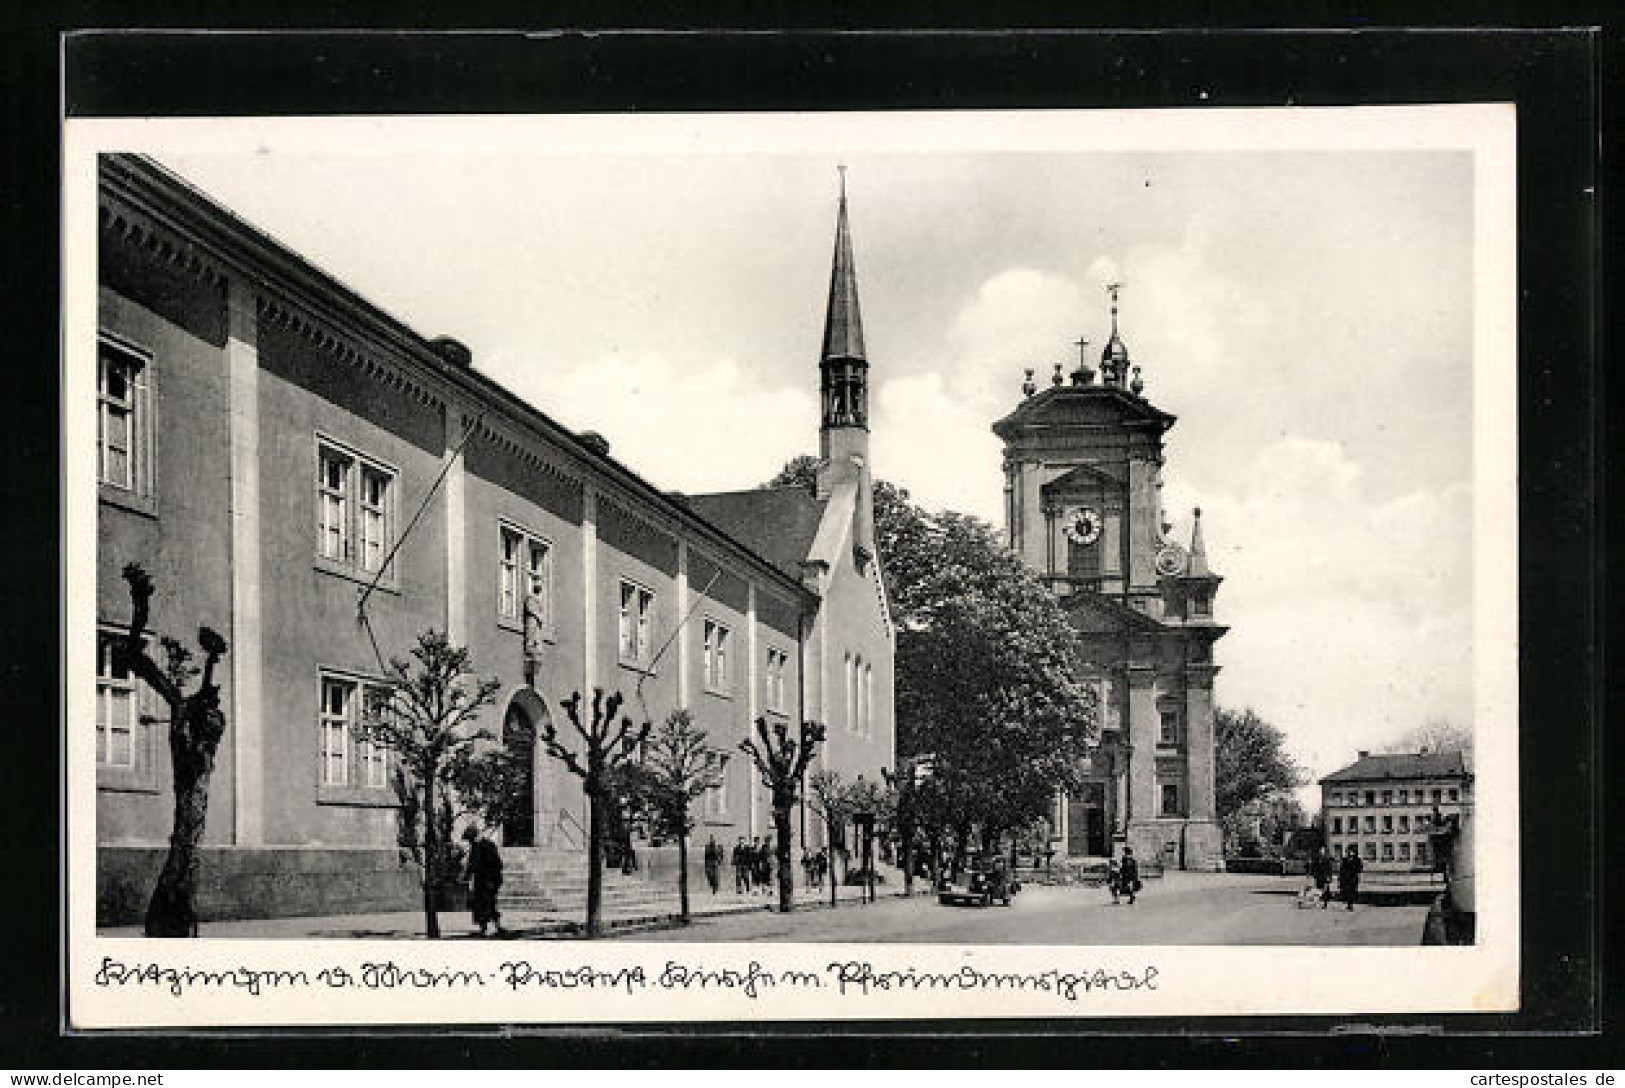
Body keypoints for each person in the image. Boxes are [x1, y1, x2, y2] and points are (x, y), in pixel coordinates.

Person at [461, 825, 504, 938]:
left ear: (474, 836)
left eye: (469, 839)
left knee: (489, 904)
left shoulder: (488, 845)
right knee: (479, 905)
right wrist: (466, 876)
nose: (469, 842)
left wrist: (492, 880)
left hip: (489, 880)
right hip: (480, 881)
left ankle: (497, 927)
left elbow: (497, 864)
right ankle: (484, 928)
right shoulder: (475, 847)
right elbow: (472, 865)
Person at [1338, 845, 1364, 911]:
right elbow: (1341, 869)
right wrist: (1340, 878)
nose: (1350, 853)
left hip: (1353, 878)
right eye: (1348, 851)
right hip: (1345, 878)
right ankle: (1348, 904)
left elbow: (1360, 868)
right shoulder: (1344, 860)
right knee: (1346, 891)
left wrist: (1355, 871)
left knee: (1352, 891)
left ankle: (1350, 904)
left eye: (1351, 851)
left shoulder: (1357, 860)